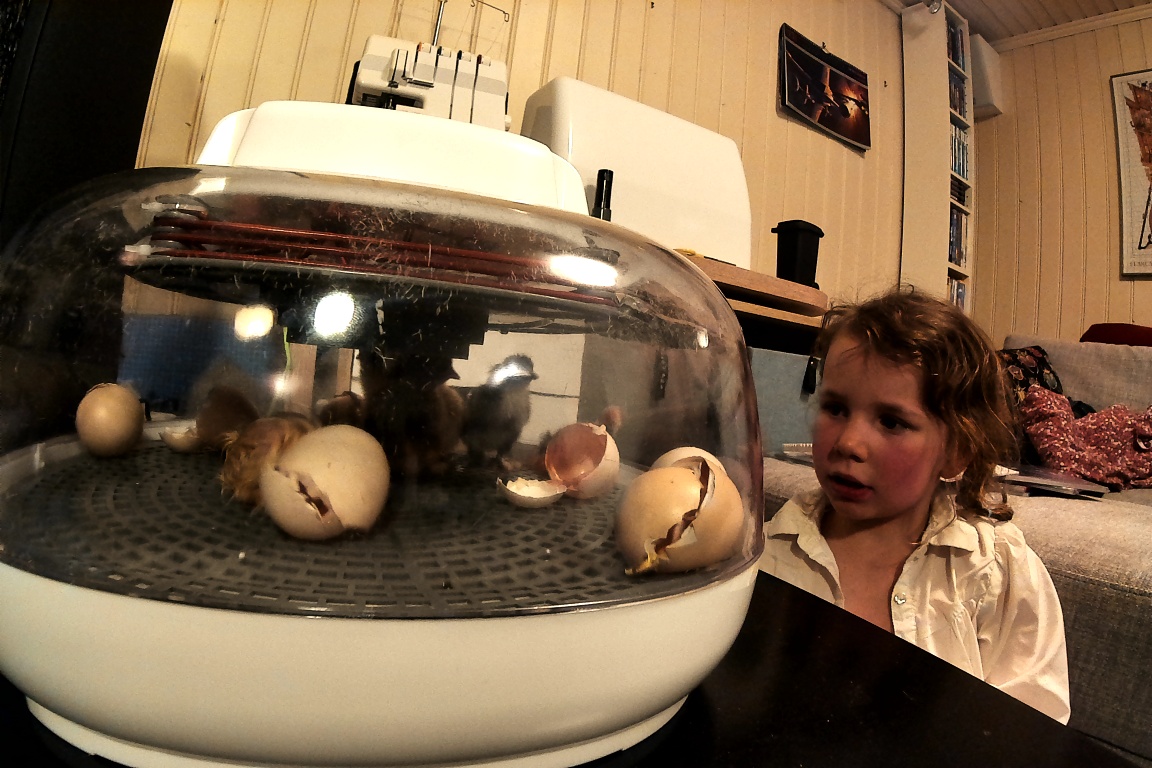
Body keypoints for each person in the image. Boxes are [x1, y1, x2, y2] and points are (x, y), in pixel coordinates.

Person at [759, 287, 1071, 724]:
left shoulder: (996, 571)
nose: (848, 443)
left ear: (957, 450)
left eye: (891, 421)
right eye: (836, 408)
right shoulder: (769, 551)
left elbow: (1031, 727)